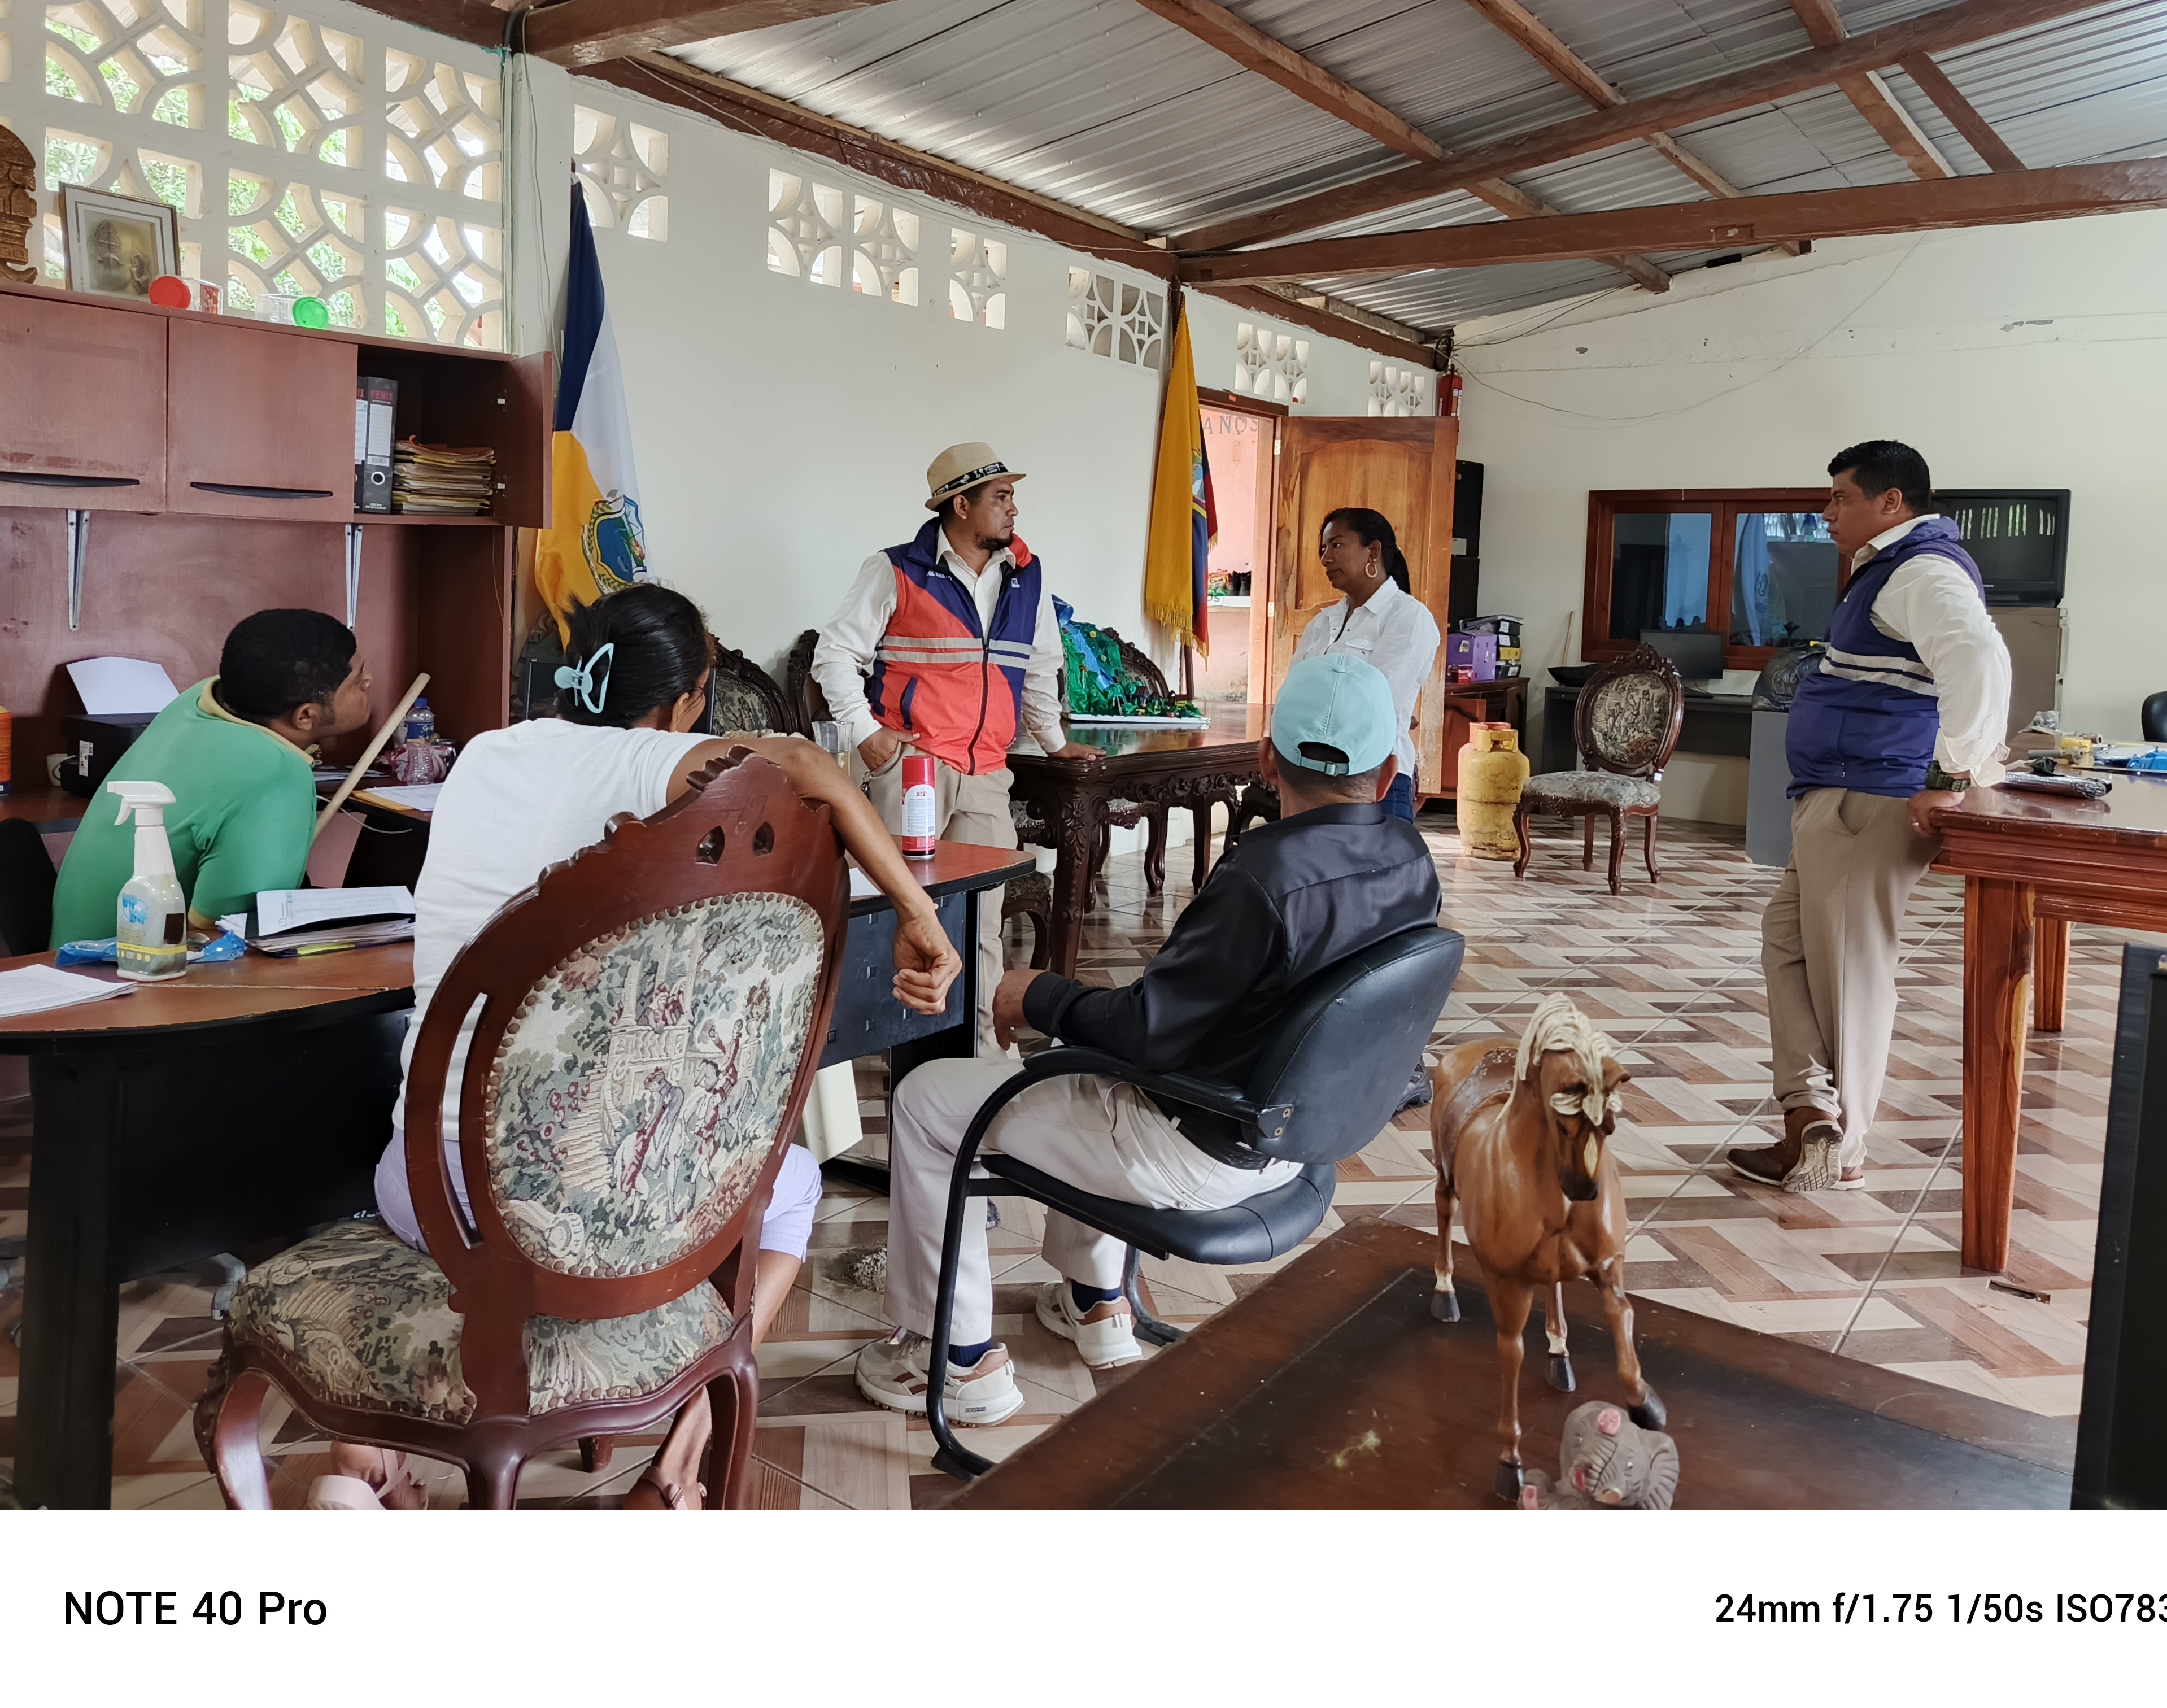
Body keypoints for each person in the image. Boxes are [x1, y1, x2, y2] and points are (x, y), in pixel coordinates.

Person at [322, 583, 962, 1511]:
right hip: (612, 1224)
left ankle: (368, 1466)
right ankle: (677, 1467)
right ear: (688, 701)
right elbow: (806, 766)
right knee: (788, 1188)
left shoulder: (486, 753)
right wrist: (918, 914)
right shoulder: (649, 760)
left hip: (429, 1187)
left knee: (454, 1158)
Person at [854, 653, 1441, 1426]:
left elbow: (1145, 1035)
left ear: (1267, 759)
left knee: (928, 1098)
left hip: (1198, 1149)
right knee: (1082, 1071)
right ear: (1390, 768)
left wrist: (1032, 993)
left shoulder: (1263, 877)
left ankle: (958, 1358)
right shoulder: (1413, 863)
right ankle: (1097, 1303)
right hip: (1301, 1140)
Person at [1730, 441, 2011, 1195]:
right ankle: (1809, 1112)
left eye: (1840, 497)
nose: (1826, 512)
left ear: (1891, 502)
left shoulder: (1921, 570)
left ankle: (1842, 1147)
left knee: (1851, 972)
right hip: (1838, 794)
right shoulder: (1887, 569)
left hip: (1868, 799)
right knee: (1787, 942)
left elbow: (1978, 657)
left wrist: (1953, 773)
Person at [812, 443, 1101, 1049]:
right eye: (1001, 497)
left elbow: (1039, 667)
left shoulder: (1027, 575)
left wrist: (1054, 744)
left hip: (986, 772)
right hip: (912, 768)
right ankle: (891, 1048)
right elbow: (834, 654)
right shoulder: (896, 569)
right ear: (960, 505)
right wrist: (866, 733)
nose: (1013, 508)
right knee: (897, 912)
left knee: (981, 922)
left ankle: (977, 1052)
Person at [49, 609, 373, 945]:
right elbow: (228, 933)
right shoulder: (275, 774)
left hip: (68, 948)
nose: (369, 682)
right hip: (122, 966)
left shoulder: (200, 698)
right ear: (305, 716)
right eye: (357, 680)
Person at [1292, 507, 1442, 822]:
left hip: (1375, 779)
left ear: (1373, 551)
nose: (1325, 559)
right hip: (1312, 776)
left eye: (1337, 545)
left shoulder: (1408, 617)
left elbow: (1376, 702)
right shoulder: (1322, 622)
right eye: (1323, 549)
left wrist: (1315, 706)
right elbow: (1292, 695)